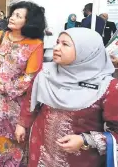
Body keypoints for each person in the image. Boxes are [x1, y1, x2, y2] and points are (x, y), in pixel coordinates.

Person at [15, 28, 118, 167]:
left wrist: (85, 140)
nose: (56, 47)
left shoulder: (107, 87)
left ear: (86, 51)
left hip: (80, 158)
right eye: (57, 42)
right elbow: (31, 101)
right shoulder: (46, 74)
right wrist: (22, 124)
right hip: (40, 148)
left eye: (65, 44)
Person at [0, 1, 46, 167]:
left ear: (29, 21)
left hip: (16, 102)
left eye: (18, 16)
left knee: (14, 140)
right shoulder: (1, 35)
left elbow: (30, 77)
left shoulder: (35, 45)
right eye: (13, 14)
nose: (11, 18)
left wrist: (4, 87)